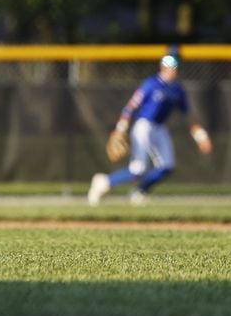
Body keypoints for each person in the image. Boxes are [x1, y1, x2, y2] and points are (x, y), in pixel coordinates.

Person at [88, 54, 213, 206]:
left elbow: (189, 115)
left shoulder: (177, 89)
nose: (172, 71)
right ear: (162, 67)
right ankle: (104, 182)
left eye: (175, 67)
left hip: (160, 128)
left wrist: (201, 137)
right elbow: (131, 107)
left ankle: (139, 192)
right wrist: (121, 129)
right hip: (144, 126)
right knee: (138, 169)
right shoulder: (151, 84)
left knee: (167, 166)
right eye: (169, 67)